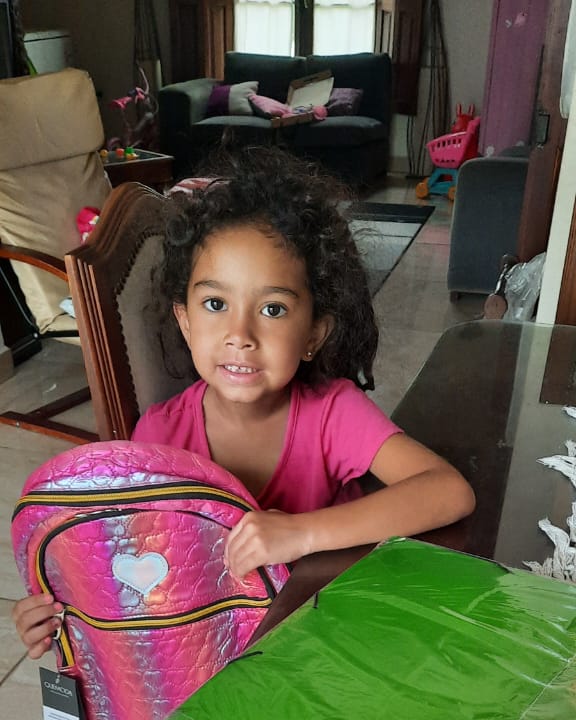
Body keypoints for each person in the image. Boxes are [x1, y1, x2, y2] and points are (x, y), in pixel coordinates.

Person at [12, 148, 475, 659]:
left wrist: (300, 533)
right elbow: (131, 565)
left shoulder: (332, 413)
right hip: (213, 657)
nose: (240, 334)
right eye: (215, 304)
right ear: (185, 321)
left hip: (320, 643)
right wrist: (60, 611)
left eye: (272, 309)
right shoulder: (157, 437)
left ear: (313, 335)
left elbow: (448, 491)